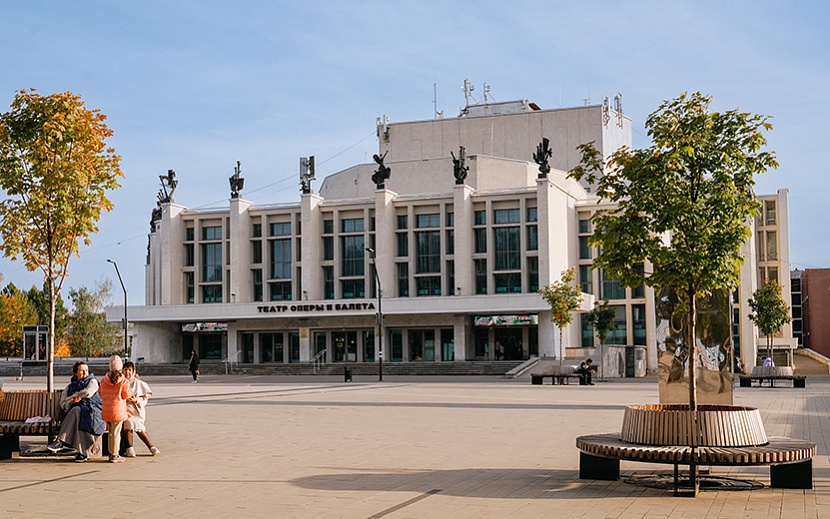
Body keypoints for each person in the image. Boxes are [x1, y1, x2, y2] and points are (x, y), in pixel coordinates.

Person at [47, 361, 105, 462]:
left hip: (94, 410)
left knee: (78, 412)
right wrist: (71, 402)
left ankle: (60, 441)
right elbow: (63, 404)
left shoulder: (93, 381)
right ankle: (82, 453)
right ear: (75, 373)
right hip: (78, 412)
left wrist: (72, 396)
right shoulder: (69, 388)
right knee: (77, 412)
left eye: (86, 370)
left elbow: (88, 393)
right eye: (81, 371)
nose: (85, 373)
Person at [121, 361, 160, 457]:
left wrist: (136, 400)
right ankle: (129, 448)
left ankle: (151, 446)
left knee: (139, 427)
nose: (127, 372)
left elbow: (144, 398)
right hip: (125, 411)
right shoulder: (120, 382)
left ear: (133, 371)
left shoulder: (139, 383)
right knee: (128, 424)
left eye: (129, 370)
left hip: (136, 411)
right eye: (125, 370)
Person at [98, 355, 132, 463]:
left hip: (107, 410)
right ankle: (115, 454)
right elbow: (126, 395)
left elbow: (100, 393)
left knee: (110, 433)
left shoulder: (104, 380)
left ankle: (110, 452)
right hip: (118, 410)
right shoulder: (123, 381)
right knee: (117, 433)